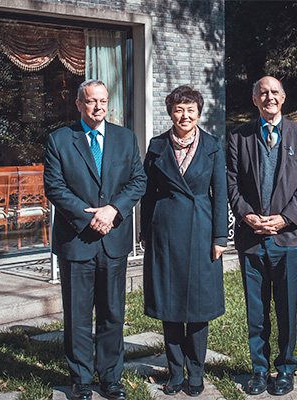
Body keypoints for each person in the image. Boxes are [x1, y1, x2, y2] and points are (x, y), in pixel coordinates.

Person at [44, 79, 147, 400]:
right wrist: (89, 217)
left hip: (113, 240)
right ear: (79, 104)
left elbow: (138, 180)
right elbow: (54, 187)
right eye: (91, 101)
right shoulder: (60, 140)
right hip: (76, 241)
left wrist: (113, 210)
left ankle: (111, 378)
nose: (98, 106)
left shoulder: (125, 138)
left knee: (112, 313)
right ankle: (81, 380)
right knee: (77, 316)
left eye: (103, 100)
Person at [226, 76, 297, 396]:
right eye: (262, 93)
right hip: (252, 238)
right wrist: (247, 215)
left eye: (274, 92)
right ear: (254, 100)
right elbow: (231, 182)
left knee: (286, 309)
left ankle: (286, 369)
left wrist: (284, 219)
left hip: (288, 238)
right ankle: (260, 370)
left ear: (284, 97)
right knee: (256, 310)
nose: (269, 97)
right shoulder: (239, 136)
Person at [140, 85, 228, 397]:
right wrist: (145, 233)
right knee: (170, 306)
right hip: (164, 234)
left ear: (199, 113)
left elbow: (220, 195)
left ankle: (196, 373)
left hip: (202, 232)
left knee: (199, 308)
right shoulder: (157, 146)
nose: (185, 115)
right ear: (170, 113)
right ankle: (175, 373)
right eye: (179, 110)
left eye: (191, 110)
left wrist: (220, 236)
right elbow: (148, 194)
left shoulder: (212, 146)